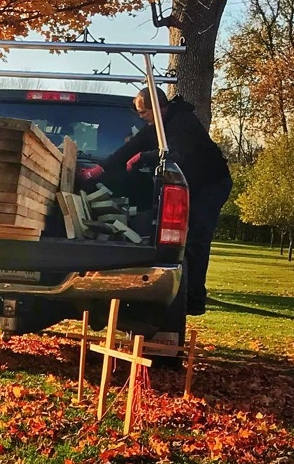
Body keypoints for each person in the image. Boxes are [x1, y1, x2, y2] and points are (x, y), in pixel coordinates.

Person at [76, 87, 232, 316]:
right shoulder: (156, 127)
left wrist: (144, 157)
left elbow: (178, 155)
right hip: (192, 184)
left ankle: (194, 300)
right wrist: (98, 170)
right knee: (188, 238)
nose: (141, 117)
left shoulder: (183, 123)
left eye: (143, 112)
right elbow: (129, 148)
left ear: (158, 108)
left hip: (211, 185)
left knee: (197, 237)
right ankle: (182, 293)